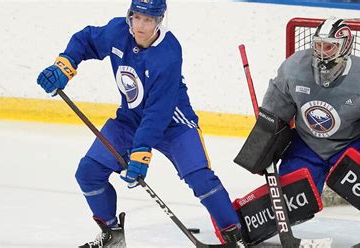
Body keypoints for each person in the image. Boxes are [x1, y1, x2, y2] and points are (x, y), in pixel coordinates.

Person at [36, 0, 244, 247]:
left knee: (200, 177)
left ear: (159, 20)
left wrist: (141, 150)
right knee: (88, 172)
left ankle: (236, 236)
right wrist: (65, 64)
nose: (140, 26)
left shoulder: (168, 53)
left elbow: (158, 112)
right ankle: (112, 234)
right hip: (131, 120)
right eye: (136, 17)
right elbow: (86, 40)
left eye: (148, 20)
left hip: (173, 123)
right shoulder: (117, 31)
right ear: (130, 16)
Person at [255, 17, 360, 194]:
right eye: (318, 45)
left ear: (344, 46)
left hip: (351, 145)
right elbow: (277, 103)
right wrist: (265, 136)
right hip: (308, 144)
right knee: (289, 196)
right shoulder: (294, 67)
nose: (322, 52)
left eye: (329, 46)